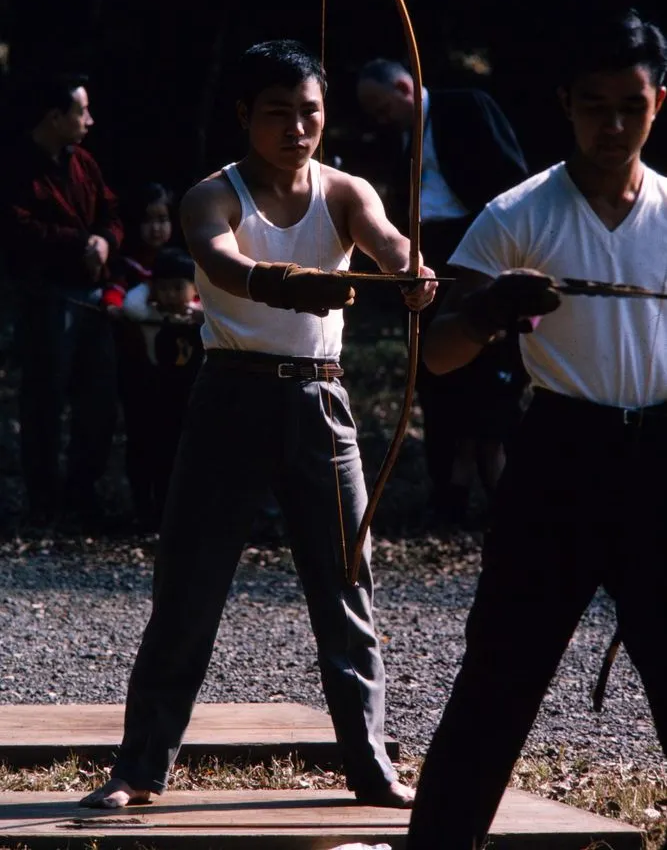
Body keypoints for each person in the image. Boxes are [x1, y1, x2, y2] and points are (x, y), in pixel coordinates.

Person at [81, 39, 436, 811]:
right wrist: (282, 283)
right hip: (229, 398)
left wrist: (411, 271)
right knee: (188, 588)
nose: (297, 128)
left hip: (319, 401)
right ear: (245, 116)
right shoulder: (213, 193)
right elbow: (217, 260)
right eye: (277, 113)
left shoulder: (345, 190)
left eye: (309, 112)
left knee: (346, 589)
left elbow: (386, 242)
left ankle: (371, 768)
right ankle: (140, 768)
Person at [406, 8, 667, 850]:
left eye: (630, 104)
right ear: (565, 103)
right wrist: (485, 310)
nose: (612, 124)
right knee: (498, 681)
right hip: (560, 454)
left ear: (658, 101)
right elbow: (436, 356)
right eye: (594, 104)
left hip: (658, 458)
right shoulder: (519, 212)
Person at [357, 61, 529, 525]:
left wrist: (504, 253)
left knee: (490, 372)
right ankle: (448, 492)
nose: (379, 118)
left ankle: (504, 492)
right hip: (426, 255)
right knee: (434, 375)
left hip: (478, 248)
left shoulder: (465, 107)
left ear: (403, 86)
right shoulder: (398, 139)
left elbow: (512, 182)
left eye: (381, 106)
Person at [2, 73, 123, 527]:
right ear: (55, 117)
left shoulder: (84, 163)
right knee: (45, 400)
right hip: (47, 297)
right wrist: (81, 244)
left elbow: (112, 212)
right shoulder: (16, 167)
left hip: (92, 296)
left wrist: (106, 243)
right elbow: (19, 229)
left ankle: (82, 494)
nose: (88, 120)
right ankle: (44, 500)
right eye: (81, 111)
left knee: (98, 399)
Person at [118, 246, 203, 526]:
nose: (171, 295)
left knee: (178, 456)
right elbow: (131, 304)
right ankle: (143, 507)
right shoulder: (144, 312)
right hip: (148, 397)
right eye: (163, 288)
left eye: (179, 287)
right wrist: (148, 288)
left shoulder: (202, 319)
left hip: (184, 403)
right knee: (143, 451)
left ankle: (172, 512)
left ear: (194, 288)